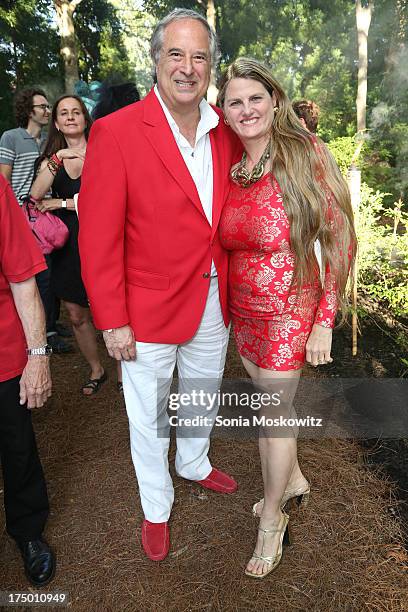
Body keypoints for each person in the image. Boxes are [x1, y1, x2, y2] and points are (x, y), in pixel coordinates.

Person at [78, 8, 239, 562]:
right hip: (143, 309)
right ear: (155, 60)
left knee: (201, 396)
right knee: (147, 413)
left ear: (211, 66)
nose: (188, 67)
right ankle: (156, 506)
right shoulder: (116, 132)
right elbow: (97, 238)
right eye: (177, 54)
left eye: (200, 57)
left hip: (213, 299)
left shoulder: (225, 131)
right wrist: (112, 320)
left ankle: (194, 462)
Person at [218, 58, 356, 578]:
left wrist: (326, 317)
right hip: (244, 314)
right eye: (235, 101)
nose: (246, 109)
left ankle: (271, 519)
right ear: (225, 113)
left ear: (275, 100)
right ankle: (293, 479)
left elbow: (339, 234)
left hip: (290, 309)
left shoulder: (303, 154)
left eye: (256, 97)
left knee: (272, 418)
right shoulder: (232, 166)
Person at [30, 95, 107, 396]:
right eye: (64, 113)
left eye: (77, 112)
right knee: (76, 314)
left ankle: (128, 370)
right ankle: (97, 369)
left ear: (86, 119)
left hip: (102, 239)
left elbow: (104, 200)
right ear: (57, 122)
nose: (71, 117)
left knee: (111, 308)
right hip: (67, 244)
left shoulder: (104, 152)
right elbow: (35, 197)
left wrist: (62, 202)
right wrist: (60, 156)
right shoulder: (53, 158)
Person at [0, 174, 55, 587]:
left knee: (16, 449)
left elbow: (22, 278)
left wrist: (37, 356)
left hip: (2, 354)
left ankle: (28, 531)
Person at [0, 87, 71, 354]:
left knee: (51, 272)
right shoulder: (12, 137)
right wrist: (13, 215)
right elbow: (3, 179)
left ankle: (51, 322)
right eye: (42, 107)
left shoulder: (49, 141)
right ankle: (45, 333)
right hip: (20, 216)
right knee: (36, 275)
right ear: (29, 111)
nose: (47, 110)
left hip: (47, 215)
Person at [91, 80, 141, 396]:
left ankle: (126, 377)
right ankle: (125, 377)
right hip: (121, 256)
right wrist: (112, 322)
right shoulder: (109, 135)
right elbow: (101, 236)